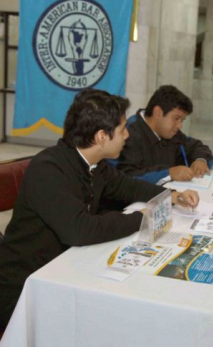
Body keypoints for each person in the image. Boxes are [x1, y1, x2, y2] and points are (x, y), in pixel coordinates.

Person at [0, 89, 199, 330]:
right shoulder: (49, 169)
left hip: (65, 266)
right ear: (102, 136)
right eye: (123, 129)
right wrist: (142, 218)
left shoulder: (93, 164)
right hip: (26, 286)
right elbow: (80, 230)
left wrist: (172, 197)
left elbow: (128, 186)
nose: (127, 135)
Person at [117, 85, 213, 184]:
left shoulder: (171, 133)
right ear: (157, 112)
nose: (180, 125)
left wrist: (201, 160)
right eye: (176, 118)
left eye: (182, 120)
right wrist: (168, 173)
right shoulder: (127, 135)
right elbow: (125, 178)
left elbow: (196, 146)